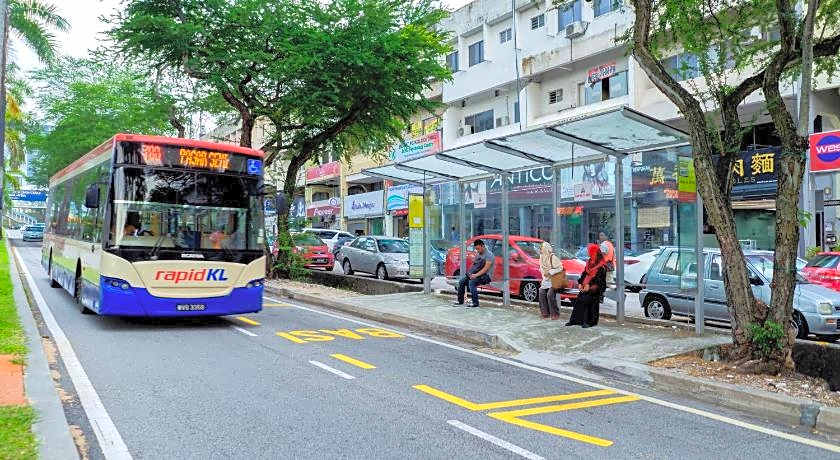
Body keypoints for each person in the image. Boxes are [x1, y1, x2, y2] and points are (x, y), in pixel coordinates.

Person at [566, 243, 608, 328]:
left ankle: (589, 321)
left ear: (595, 253)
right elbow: (584, 274)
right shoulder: (589, 262)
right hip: (586, 286)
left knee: (587, 299)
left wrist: (590, 287)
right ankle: (575, 320)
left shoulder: (601, 266)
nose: (589, 253)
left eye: (590, 252)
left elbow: (600, 281)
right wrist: (581, 283)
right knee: (578, 299)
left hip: (595, 289)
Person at [452, 239, 493, 308]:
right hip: (477, 274)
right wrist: (470, 274)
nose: (477, 250)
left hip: (486, 276)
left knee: (472, 282)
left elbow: (485, 269)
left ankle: (475, 303)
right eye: (476, 249)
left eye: (478, 249)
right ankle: (460, 301)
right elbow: (475, 265)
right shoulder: (478, 254)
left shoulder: (489, 255)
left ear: (483, 246)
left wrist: (475, 275)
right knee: (462, 281)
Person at [538, 242, 564, 320]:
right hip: (547, 281)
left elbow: (560, 268)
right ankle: (545, 313)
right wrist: (546, 277)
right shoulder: (541, 258)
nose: (540, 249)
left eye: (541, 248)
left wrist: (550, 272)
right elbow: (542, 271)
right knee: (541, 292)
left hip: (556, 281)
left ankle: (555, 313)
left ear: (546, 248)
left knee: (550, 294)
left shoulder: (553, 257)